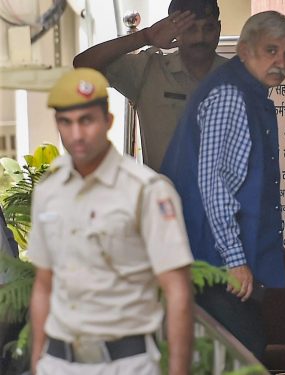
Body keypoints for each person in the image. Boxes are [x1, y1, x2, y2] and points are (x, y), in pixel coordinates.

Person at [27, 68, 194, 374]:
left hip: (125, 364)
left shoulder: (146, 190)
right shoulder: (48, 190)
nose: (76, 134)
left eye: (86, 120)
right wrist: (38, 362)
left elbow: (178, 290)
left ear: (108, 121)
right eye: (66, 122)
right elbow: (43, 286)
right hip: (58, 364)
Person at [160, 11, 285, 359]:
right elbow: (212, 184)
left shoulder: (245, 92)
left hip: (212, 258)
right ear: (245, 50)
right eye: (271, 51)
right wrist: (234, 259)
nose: (281, 62)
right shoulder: (230, 96)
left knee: (232, 357)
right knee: (244, 353)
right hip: (211, 259)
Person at [73, 0, 227, 171]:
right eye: (190, 29)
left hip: (225, 196)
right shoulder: (148, 70)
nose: (200, 38)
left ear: (219, 29)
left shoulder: (238, 75)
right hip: (165, 194)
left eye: (208, 28)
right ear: (176, 31)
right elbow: (83, 64)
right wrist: (145, 37)